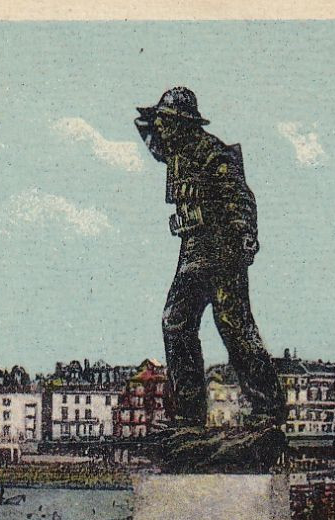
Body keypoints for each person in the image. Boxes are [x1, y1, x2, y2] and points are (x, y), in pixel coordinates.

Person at [136, 86, 280, 427]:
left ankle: (268, 409)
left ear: (184, 124)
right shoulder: (176, 154)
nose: (160, 129)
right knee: (176, 322)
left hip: (223, 251)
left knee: (234, 327)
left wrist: (246, 234)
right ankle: (188, 414)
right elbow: (146, 132)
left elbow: (240, 196)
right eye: (160, 123)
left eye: (167, 122)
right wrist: (156, 117)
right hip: (193, 252)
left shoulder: (213, 153)